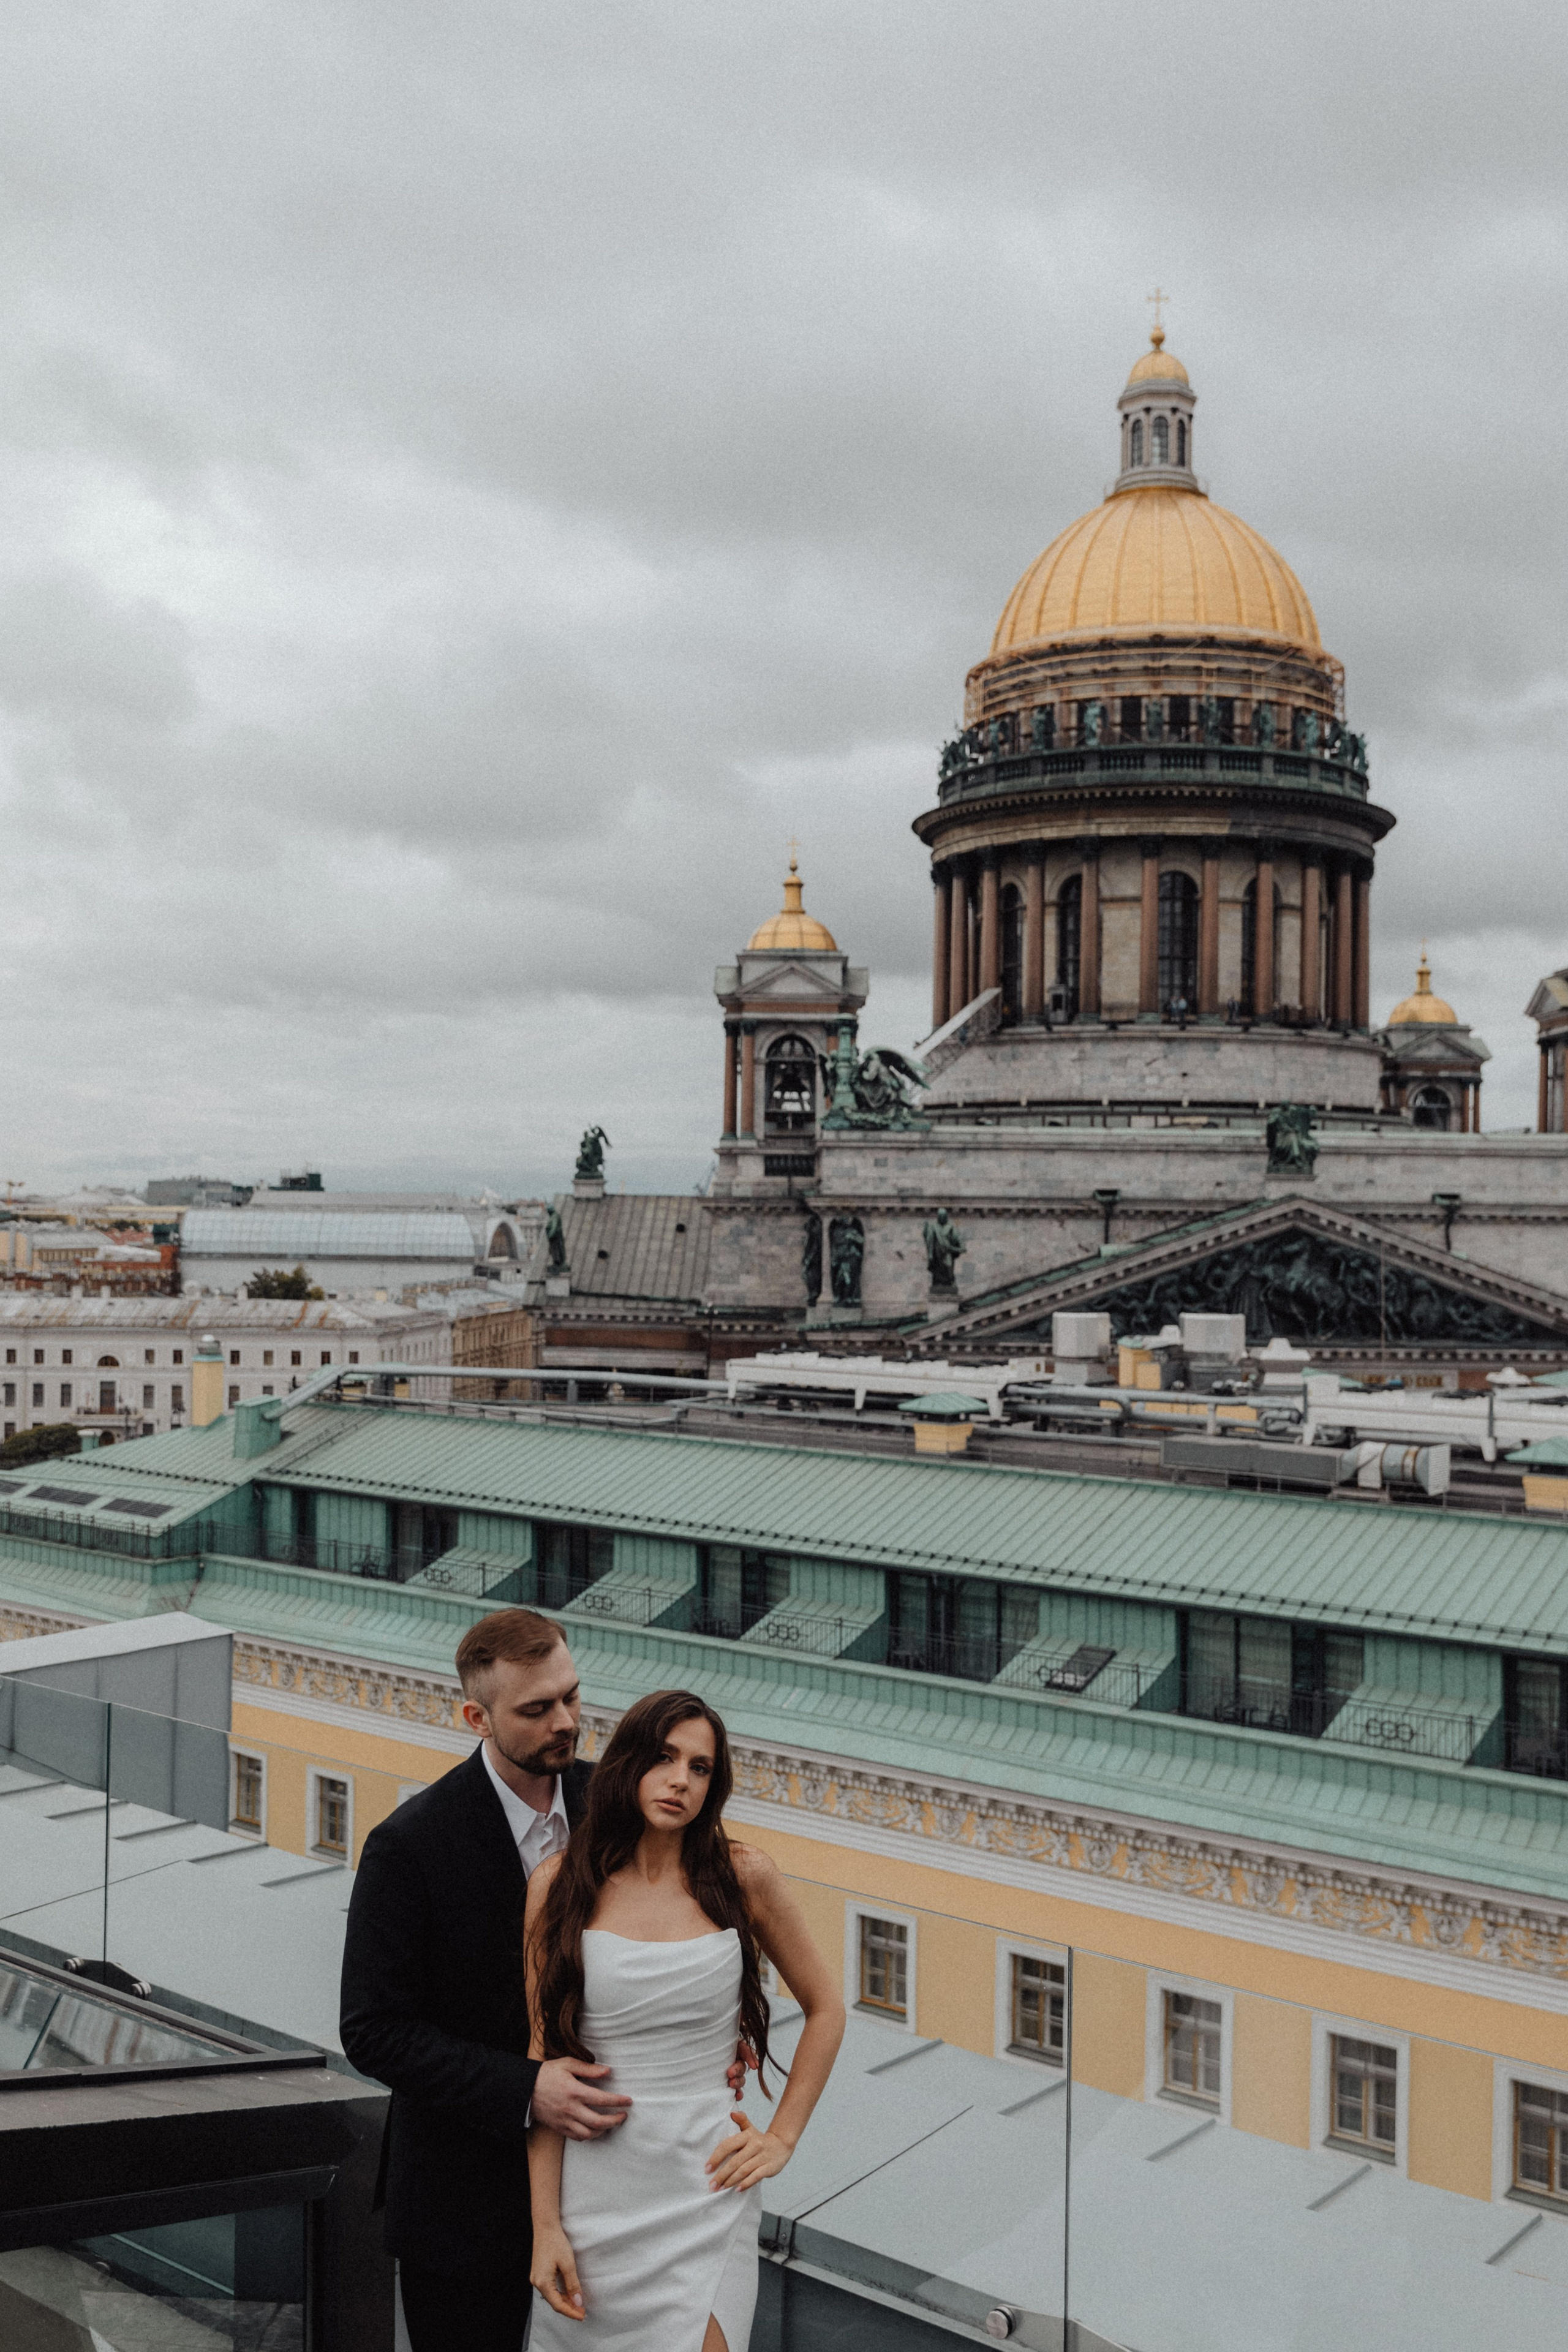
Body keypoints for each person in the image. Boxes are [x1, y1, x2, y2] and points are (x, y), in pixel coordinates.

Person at [339, 1610, 629, 2351]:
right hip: (461, 2208)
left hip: (612, 2187)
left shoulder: (620, 1811)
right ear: (476, 1716)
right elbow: (373, 2030)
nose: (566, 1722)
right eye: (537, 1710)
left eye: (571, 1696)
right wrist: (527, 2088)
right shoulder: (408, 1846)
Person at [526, 1689, 845, 2350]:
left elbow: (826, 2008)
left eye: (700, 1768)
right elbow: (544, 2062)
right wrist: (545, 2227)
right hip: (594, 2197)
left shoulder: (743, 1874)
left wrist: (782, 2139)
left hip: (707, 2185)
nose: (680, 1780)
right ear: (628, 1764)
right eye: (665, 1758)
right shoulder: (557, 1885)